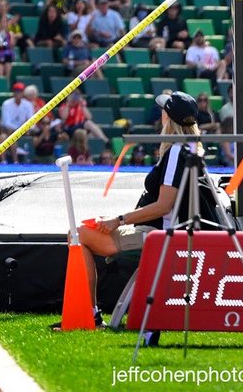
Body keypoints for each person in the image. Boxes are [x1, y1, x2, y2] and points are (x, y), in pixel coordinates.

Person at [78, 90, 211, 328]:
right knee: (86, 229)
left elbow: (163, 206)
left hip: (159, 235)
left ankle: (88, 314)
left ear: (169, 118)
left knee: (78, 234)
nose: (160, 114)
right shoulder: (192, 150)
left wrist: (118, 220)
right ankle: (89, 312)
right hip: (164, 231)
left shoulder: (176, 153)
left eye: (163, 110)